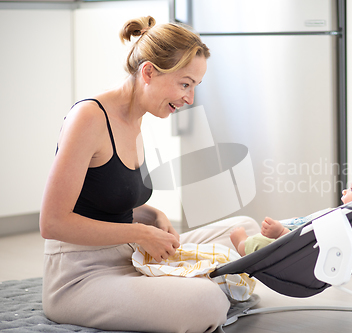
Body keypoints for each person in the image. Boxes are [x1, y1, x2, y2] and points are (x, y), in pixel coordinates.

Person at [39, 16, 259, 333]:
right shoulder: (88, 118)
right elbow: (53, 223)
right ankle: (210, 286)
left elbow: (102, 197)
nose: (190, 98)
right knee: (206, 302)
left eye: (195, 86)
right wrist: (140, 234)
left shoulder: (136, 119)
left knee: (245, 230)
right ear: (149, 72)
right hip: (82, 276)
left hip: (132, 256)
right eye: (185, 84)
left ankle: (201, 284)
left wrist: (152, 216)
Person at [230, 165, 352, 256]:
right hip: (295, 228)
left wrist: (280, 232)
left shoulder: (341, 224)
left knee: (260, 242)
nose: (345, 191)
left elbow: (307, 245)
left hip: (289, 245)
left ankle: (242, 244)